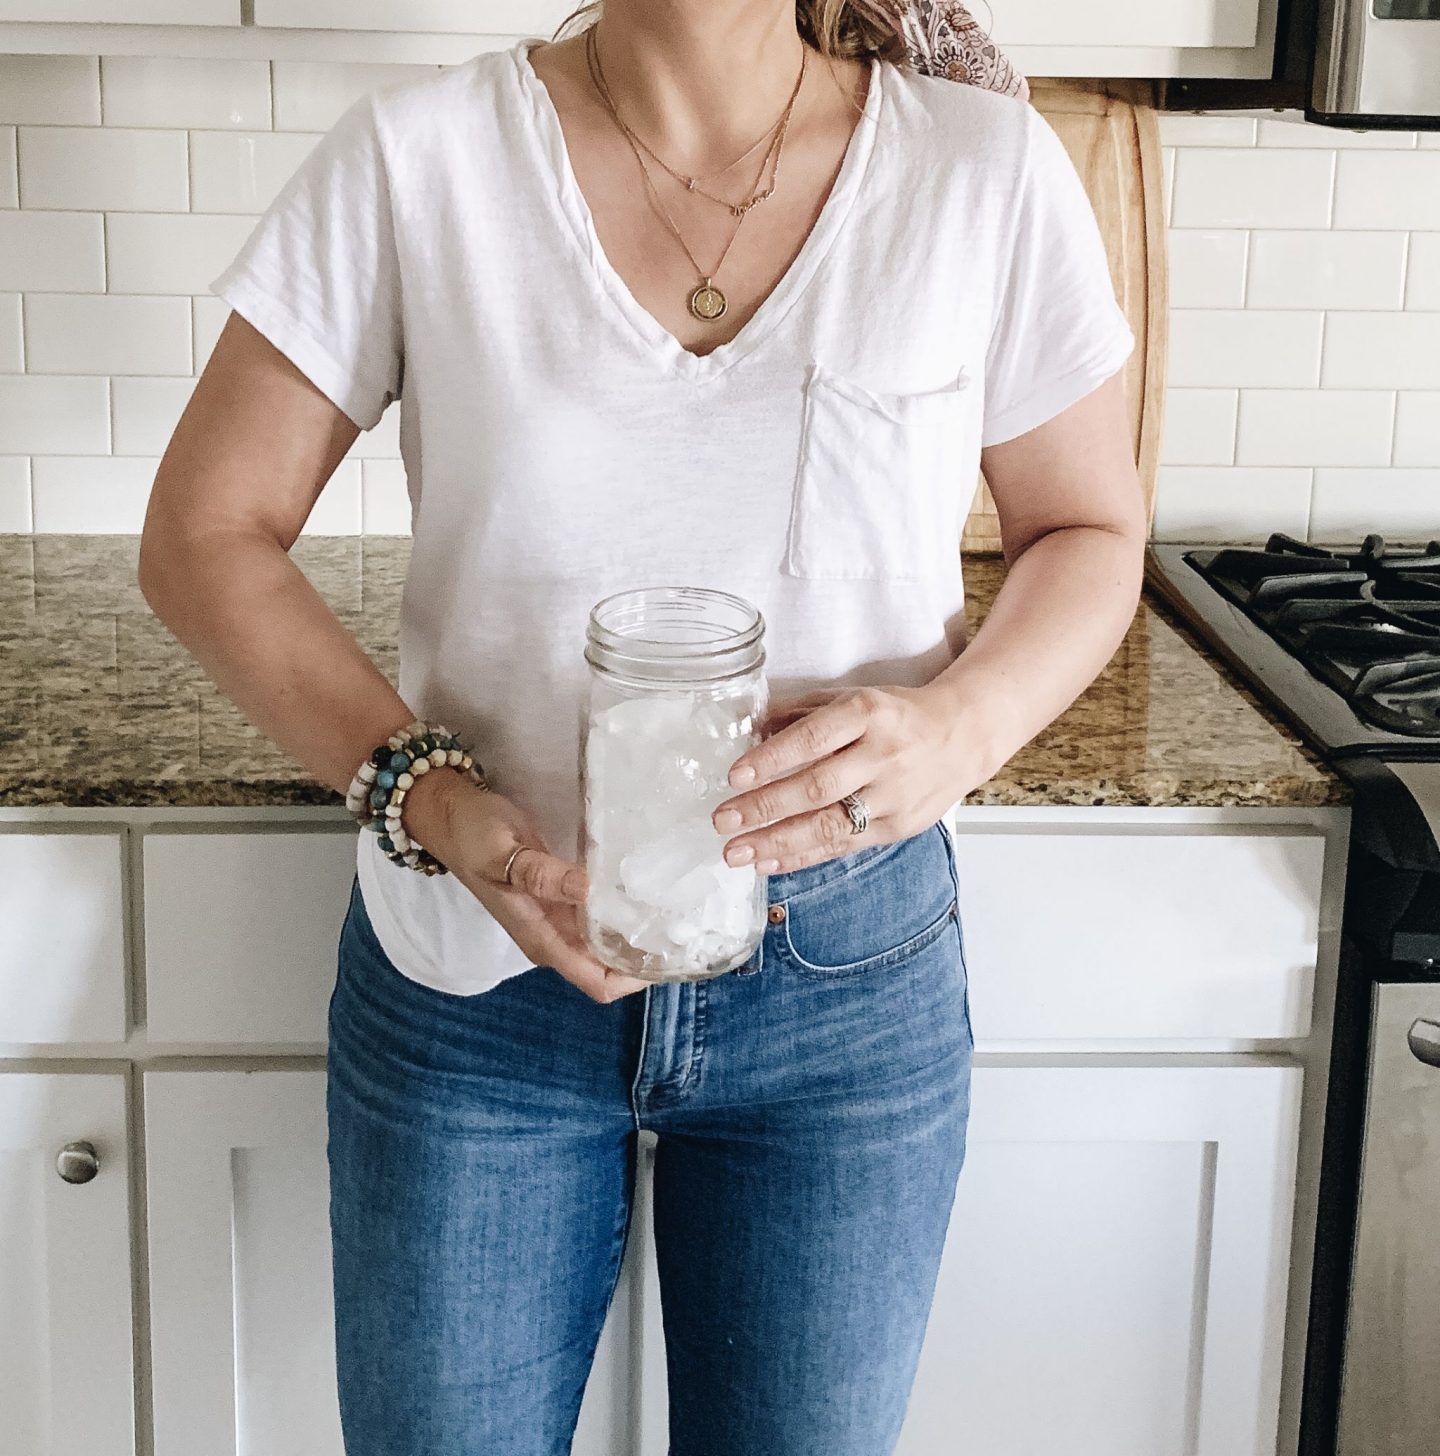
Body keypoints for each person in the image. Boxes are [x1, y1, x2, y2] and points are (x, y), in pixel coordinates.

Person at [138, 1, 1146, 1451]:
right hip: (479, 976)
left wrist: (960, 727)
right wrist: (430, 796)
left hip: (846, 979)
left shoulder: (979, 168)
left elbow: (1092, 528)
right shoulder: (421, 161)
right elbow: (204, 535)